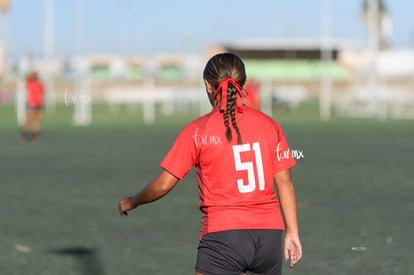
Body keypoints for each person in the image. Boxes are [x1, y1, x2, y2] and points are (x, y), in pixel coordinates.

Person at [118, 53, 302, 275]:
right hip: (270, 237)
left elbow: (164, 184)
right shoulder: (270, 125)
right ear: (244, 83)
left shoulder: (198, 131)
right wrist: (292, 232)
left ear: (207, 85)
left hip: (224, 236)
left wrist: (132, 201)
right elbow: (286, 184)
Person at [20, 71, 44, 142]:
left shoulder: (39, 84)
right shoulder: (30, 82)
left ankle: (35, 136)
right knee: (29, 120)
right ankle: (24, 134)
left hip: (38, 104)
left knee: (37, 121)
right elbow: (27, 77)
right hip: (32, 104)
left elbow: (42, 93)